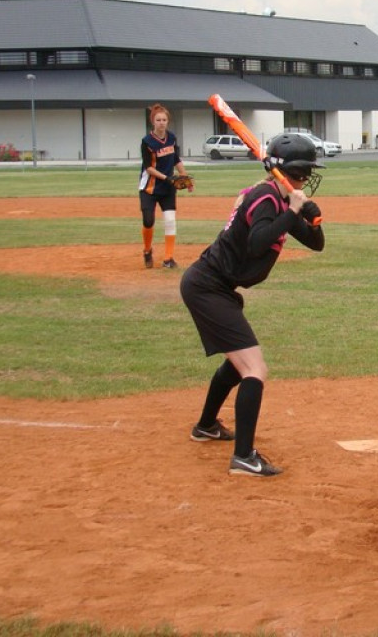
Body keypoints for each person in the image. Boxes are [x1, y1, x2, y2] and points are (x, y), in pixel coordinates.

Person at [181, 134, 325, 476]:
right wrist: (292, 210)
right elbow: (259, 242)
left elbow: (317, 243)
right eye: (303, 173)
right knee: (254, 370)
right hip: (207, 287)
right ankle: (244, 457)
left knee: (236, 364)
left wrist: (310, 215)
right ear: (287, 171)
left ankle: (206, 426)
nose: (306, 179)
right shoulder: (265, 197)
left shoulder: (280, 199)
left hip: (218, 288)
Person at [139, 103, 193, 269]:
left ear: (167, 121)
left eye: (164, 119)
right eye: (158, 120)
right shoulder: (147, 142)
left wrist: (185, 178)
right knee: (148, 221)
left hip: (168, 188)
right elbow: (149, 168)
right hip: (150, 187)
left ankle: (168, 258)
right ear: (153, 122)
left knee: (170, 221)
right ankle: (147, 250)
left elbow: (176, 159)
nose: (161, 122)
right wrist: (167, 178)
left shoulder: (171, 138)